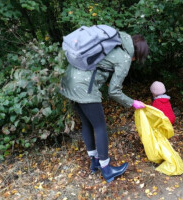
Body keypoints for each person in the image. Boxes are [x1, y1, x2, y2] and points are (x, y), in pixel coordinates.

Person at [60, 31, 149, 182]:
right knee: (100, 126)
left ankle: (95, 161)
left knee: (87, 123)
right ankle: (106, 169)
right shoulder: (125, 57)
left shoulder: (113, 44)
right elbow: (114, 91)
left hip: (69, 81)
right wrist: (132, 102)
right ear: (138, 53)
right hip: (84, 87)